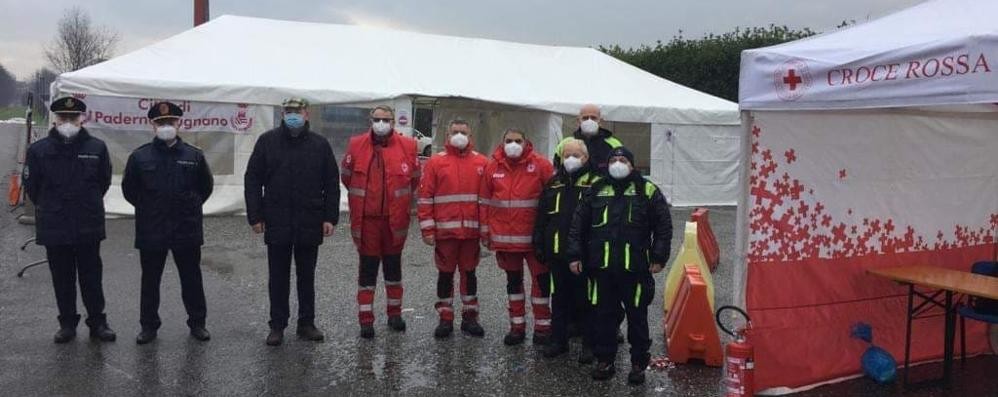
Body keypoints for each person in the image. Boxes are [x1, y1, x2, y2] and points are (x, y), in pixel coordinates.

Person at [567, 146, 672, 384]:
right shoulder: (596, 189)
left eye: (623, 159)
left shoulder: (647, 190)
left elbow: (663, 227)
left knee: (637, 318)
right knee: (603, 317)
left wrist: (658, 257)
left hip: (635, 270)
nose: (617, 163)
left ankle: (638, 363)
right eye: (613, 159)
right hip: (601, 269)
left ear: (632, 164)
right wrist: (575, 256)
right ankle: (604, 360)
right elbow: (577, 226)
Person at [245, 98, 340, 346]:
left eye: (297, 112)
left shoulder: (320, 144)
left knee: (306, 276)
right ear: (282, 114)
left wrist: (330, 217)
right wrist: (255, 215)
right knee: (278, 276)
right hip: (277, 219)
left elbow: (331, 182)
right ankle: (277, 325)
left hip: (310, 219)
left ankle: (306, 324)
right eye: (288, 112)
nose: (293, 115)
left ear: (306, 114)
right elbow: (253, 179)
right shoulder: (267, 141)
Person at [23, 96, 116, 343]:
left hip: (87, 222)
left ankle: (98, 322)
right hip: (55, 224)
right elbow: (32, 187)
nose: (67, 122)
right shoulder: (39, 150)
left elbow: (103, 182)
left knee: (91, 277)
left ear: (81, 119)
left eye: (72, 118)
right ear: (55, 119)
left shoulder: (97, 148)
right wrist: (53, 206)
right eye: (63, 118)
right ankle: (67, 323)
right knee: (62, 277)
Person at [122, 101, 214, 344]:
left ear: (179, 123)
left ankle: (197, 323)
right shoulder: (139, 156)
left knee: (191, 278)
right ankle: (148, 326)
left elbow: (205, 188)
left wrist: (187, 206)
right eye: (161, 123)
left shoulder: (194, 155)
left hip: (186, 227)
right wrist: (150, 209)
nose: (166, 126)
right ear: (152, 125)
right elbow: (130, 191)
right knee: (150, 280)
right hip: (152, 228)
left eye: (170, 122)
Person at [341, 105, 420, 339]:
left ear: (394, 122)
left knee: (393, 270)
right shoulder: (356, 145)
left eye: (386, 119)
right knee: (367, 271)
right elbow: (346, 177)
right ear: (370, 120)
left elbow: (414, 179)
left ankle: (394, 314)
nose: (382, 123)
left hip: (395, 221)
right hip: (367, 222)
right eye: (377, 119)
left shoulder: (408, 146)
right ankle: (366, 319)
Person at [479, 128, 555, 346]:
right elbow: (484, 202)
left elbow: (552, 201)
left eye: (518, 140)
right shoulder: (492, 167)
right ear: (502, 143)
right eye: (509, 141)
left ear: (526, 142)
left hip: (534, 241)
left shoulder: (541, 165)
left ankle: (542, 327)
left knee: (541, 284)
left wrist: (549, 234)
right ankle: (517, 326)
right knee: (513, 284)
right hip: (505, 240)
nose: (513, 144)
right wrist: (485, 233)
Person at [417, 119, 489, 339]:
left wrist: (486, 230)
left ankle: (470, 317)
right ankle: (445, 318)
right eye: (455, 132)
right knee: (445, 275)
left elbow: (487, 200)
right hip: (445, 233)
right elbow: (425, 197)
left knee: (470, 273)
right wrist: (428, 229)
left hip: (471, 233)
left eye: (463, 132)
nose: (459, 135)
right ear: (447, 136)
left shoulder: (482, 163)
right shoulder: (435, 163)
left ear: (470, 136)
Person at [533, 138, 600, 362]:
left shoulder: (596, 183)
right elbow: (542, 217)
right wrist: (539, 244)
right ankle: (558, 341)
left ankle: (590, 345)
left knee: (588, 301)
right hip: (557, 253)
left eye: (576, 155)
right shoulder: (554, 183)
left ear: (586, 158)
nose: (571, 159)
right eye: (567, 155)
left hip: (585, 255)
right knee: (559, 299)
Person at [553, 104, 622, 173]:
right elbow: (556, 168)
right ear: (578, 121)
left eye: (593, 118)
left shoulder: (614, 144)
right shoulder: (566, 143)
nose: (589, 121)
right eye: (585, 118)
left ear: (600, 121)